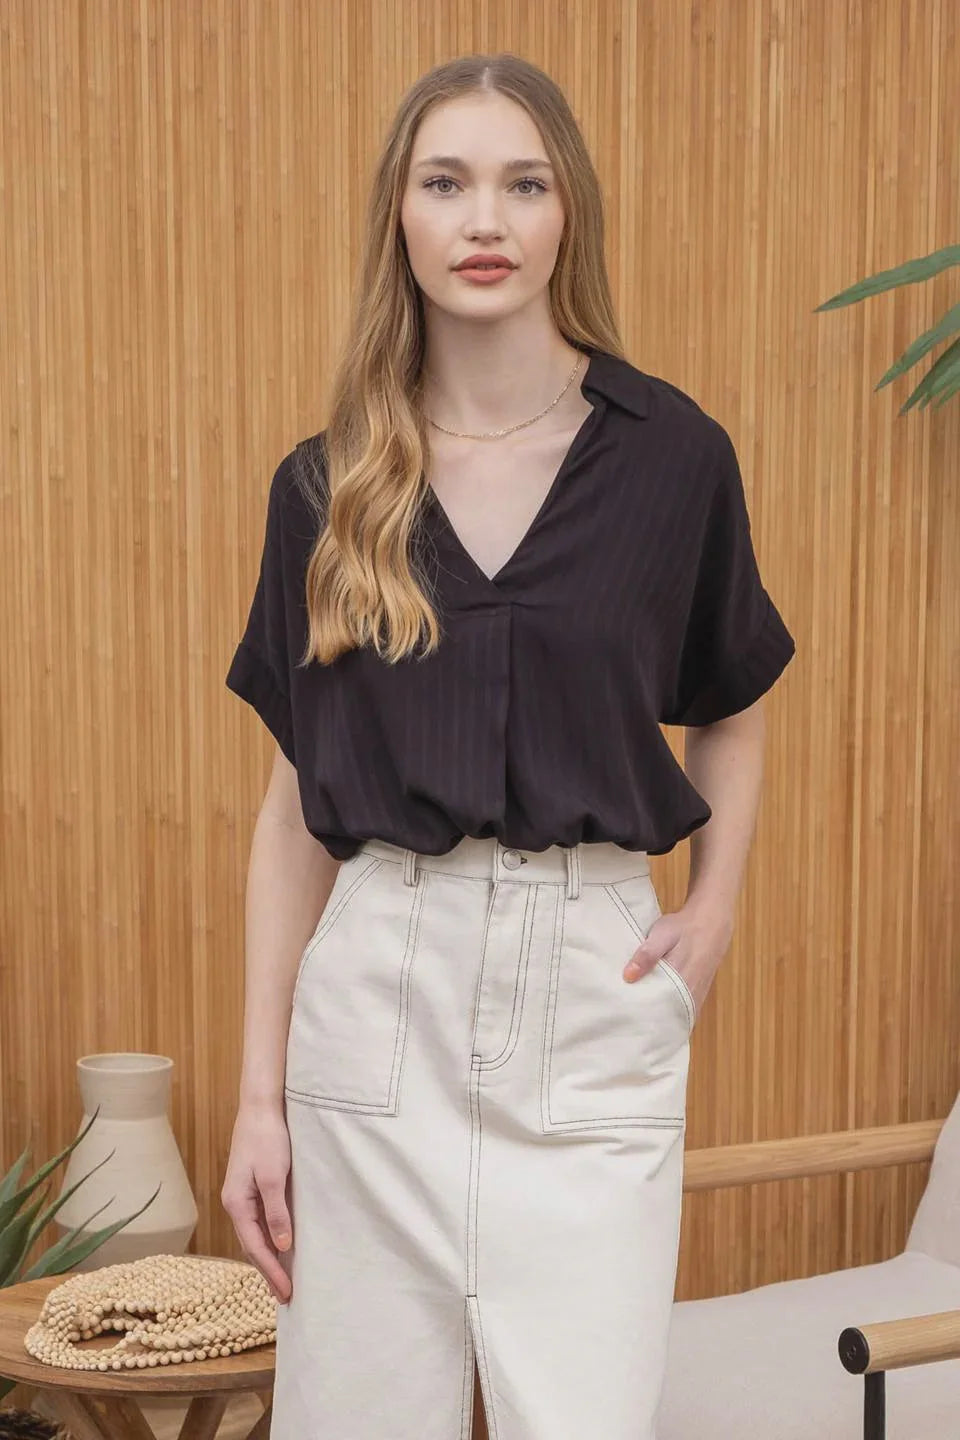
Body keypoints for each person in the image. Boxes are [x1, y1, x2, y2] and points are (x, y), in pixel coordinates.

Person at [220, 51, 795, 1440]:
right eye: (448, 183)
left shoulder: (674, 459)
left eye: (523, 183)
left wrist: (710, 907)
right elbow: (300, 801)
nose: (485, 221)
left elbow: (734, 697)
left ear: (567, 215)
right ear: (401, 221)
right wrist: (256, 1099)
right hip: (373, 1006)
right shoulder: (329, 480)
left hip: (590, 996)